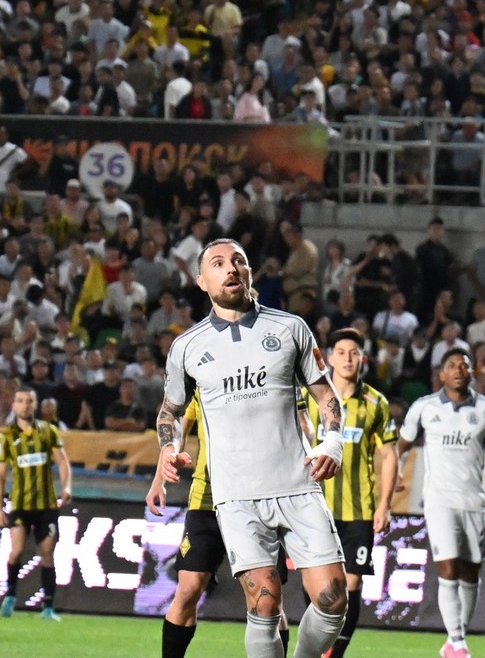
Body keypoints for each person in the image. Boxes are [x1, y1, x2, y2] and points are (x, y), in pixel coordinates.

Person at [153, 238, 349, 658]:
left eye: (239, 260)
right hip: (236, 496)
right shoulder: (187, 347)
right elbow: (168, 412)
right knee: (264, 603)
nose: (231, 268)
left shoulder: (290, 328)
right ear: (202, 281)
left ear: (250, 272)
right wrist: (169, 449)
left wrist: (332, 442)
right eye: (218, 263)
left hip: (297, 485)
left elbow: (326, 397)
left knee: (334, 599)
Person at [147, 393, 295, 658]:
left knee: (266, 600)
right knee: (189, 588)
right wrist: (159, 480)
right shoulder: (203, 381)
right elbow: (177, 428)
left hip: (258, 503)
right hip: (206, 501)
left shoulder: (269, 376)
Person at [397, 349, 485, 658]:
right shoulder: (423, 407)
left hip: (473, 499)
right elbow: (400, 444)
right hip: (438, 499)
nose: (458, 369)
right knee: (447, 564)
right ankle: (457, 642)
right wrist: (394, 473)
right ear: (441, 374)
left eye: (464, 365)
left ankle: (455, 639)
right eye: (451, 365)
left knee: (470, 572)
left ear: (472, 372)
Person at [299, 328, 397, 658]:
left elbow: (388, 455)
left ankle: (334, 654)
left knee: (352, 583)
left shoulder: (375, 403)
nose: (348, 358)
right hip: (313, 506)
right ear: (328, 358)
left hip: (359, 511)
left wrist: (384, 504)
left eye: (354, 352)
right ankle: (314, 648)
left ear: (363, 359)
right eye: (341, 352)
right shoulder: (310, 398)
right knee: (316, 586)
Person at [0, 388, 72, 621]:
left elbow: (63, 462)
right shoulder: (5, 437)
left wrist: (66, 487)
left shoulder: (48, 432)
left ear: (35, 405)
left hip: (46, 505)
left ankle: (48, 607)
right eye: (20, 401)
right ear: (14, 406)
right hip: (19, 503)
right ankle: (10, 594)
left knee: (47, 553)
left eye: (29, 401)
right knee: (16, 551)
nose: (25, 405)